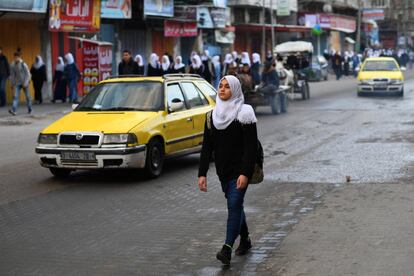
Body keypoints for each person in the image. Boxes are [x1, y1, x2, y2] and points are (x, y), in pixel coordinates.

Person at [198, 75, 258, 265]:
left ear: (235, 90)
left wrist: (245, 173)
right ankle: (246, 239)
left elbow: (251, 147)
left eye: (227, 87)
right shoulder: (211, 116)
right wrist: (202, 173)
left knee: (233, 206)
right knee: (236, 206)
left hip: (240, 171)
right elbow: (207, 147)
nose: (222, 90)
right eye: (220, 86)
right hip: (223, 171)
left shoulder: (245, 113)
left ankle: (227, 248)